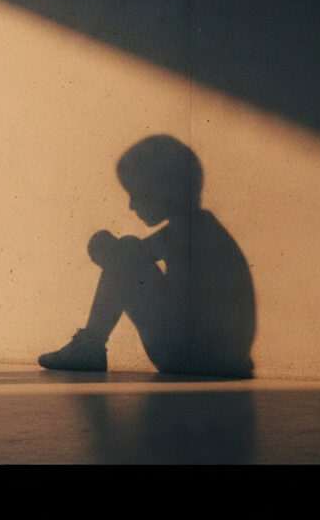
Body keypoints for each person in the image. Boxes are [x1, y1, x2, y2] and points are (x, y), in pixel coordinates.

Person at [38, 135, 255, 377]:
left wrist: (106, 249)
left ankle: (91, 344)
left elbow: (128, 257)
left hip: (190, 356)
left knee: (127, 249)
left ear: (164, 189)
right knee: (126, 251)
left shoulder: (191, 229)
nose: (131, 205)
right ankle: (90, 345)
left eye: (136, 193)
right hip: (214, 357)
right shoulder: (201, 227)